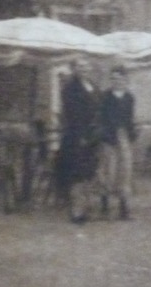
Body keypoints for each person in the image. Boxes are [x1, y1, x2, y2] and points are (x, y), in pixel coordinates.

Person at [56, 58, 100, 223]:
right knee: (77, 174)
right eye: (80, 66)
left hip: (93, 136)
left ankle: (86, 207)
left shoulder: (94, 87)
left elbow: (98, 109)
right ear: (74, 69)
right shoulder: (70, 89)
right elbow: (73, 115)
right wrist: (81, 135)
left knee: (89, 172)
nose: (83, 69)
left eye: (86, 65)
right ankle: (76, 211)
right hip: (76, 136)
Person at [97, 65, 137, 220]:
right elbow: (100, 117)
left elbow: (130, 118)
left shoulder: (129, 97)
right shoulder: (105, 96)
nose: (117, 82)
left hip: (124, 136)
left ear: (125, 80)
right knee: (108, 169)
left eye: (120, 79)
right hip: (109, 137)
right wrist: (105, 133)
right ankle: (105, 204)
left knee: (125, 170)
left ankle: (124, 207)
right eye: (113, 79)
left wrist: (131, 134)